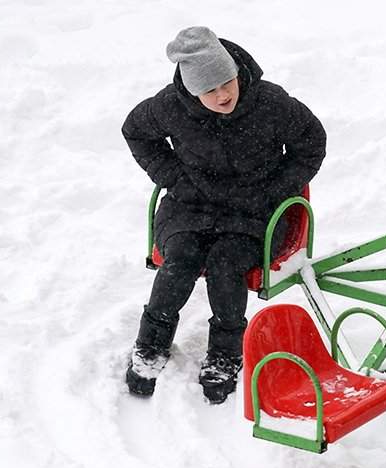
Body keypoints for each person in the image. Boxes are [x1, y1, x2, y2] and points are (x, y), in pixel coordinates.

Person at [122, 26, 326, 403]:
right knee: (180, 260)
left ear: (236, 71)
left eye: (226, 83)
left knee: (225, 264)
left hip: (254, 212)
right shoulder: (170, 107)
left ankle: (225, 353)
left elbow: (311, 143)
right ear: (192, 91)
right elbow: (135, 132)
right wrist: (175, 178)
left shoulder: (270, 103)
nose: (223, 95)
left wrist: (275, 189)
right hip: (190, 207)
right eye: (209, 90)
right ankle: (150, 345)